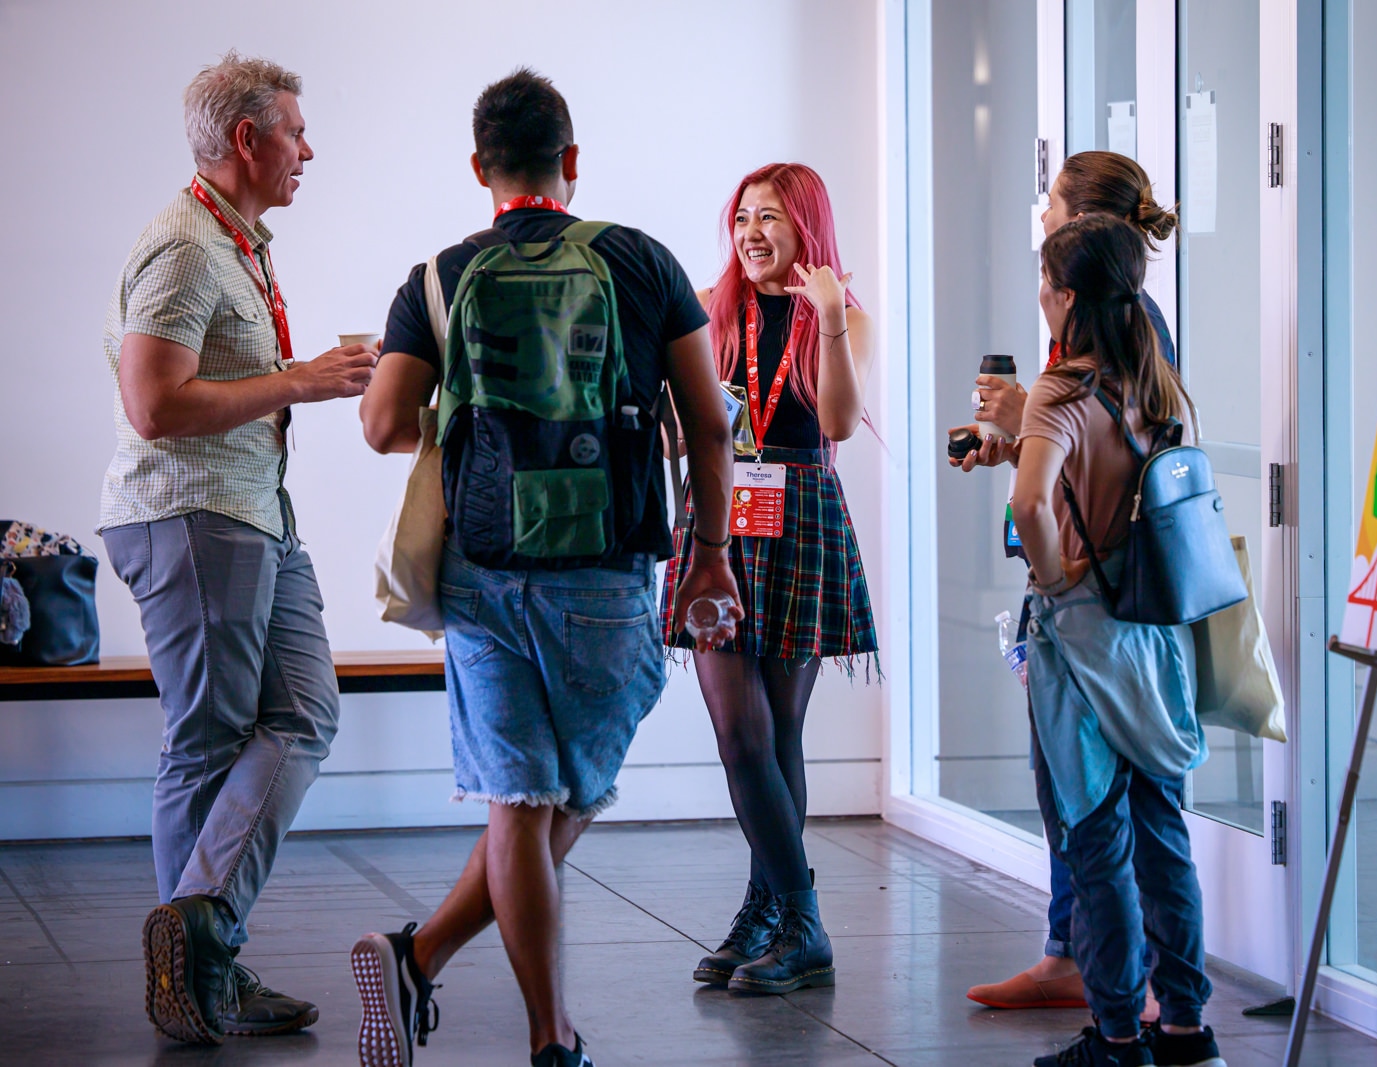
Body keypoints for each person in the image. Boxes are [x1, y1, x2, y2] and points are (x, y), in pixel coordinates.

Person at [350, 69, 739, 1067]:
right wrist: (710, 560)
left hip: (482, 572)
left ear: (479, 169)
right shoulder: (642, 262)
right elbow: (706, 424)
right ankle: (454, 976)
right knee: (569, 796)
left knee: (520, 801)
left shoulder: (436, 277)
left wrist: (472, 422)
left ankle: (534, 1029)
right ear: (572, 161)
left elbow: (385, 423)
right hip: (607, 573)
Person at [97, 51, 377, 1046]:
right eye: (296, 131)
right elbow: (154, 402)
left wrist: (315, 376)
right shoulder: (183, 246)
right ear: (249, 141)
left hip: (256, 511)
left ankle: (204, 934)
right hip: (190, 514)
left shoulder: (240, 242)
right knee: (208, 742)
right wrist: (301, 381)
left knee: (304, 710)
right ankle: (196, 970)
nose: (310, 147)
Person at [957, 151, 1176, 1016]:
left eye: (1050, 200)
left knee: (1089, 795)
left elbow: (1105, 468)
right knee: (1086, 790)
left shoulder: (1127, 328)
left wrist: (1029, 430)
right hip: (1110, 596)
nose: (1039, 211)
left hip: (1095, 601)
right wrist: (1022, 433)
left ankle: (1112, 987)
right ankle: (1093, 961)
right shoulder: (1115, 331)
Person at [660, 162, 877, 995]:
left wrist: (827, 319)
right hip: (720, 518)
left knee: (780, 730)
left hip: (801, 516)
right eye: (743, 217)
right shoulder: (714, 313)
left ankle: (773, 915)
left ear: (806, 227)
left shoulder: (837, 315)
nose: (751, 233)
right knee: (738, 730)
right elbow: (685, 433)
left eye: (770, 218)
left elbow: (839, 423)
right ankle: (800, 919)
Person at [1014, 214, 1221, 1067]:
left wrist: (1057, 576)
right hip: (1156, 631)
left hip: (1085, 637)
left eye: (1045, 283)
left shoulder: (1059, 392)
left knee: (1095, 836)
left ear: (1064, 297)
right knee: (1164, 831)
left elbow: (1031, 503)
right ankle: (1185, 1025)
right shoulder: (1159, 384)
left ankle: (1116, 1032)